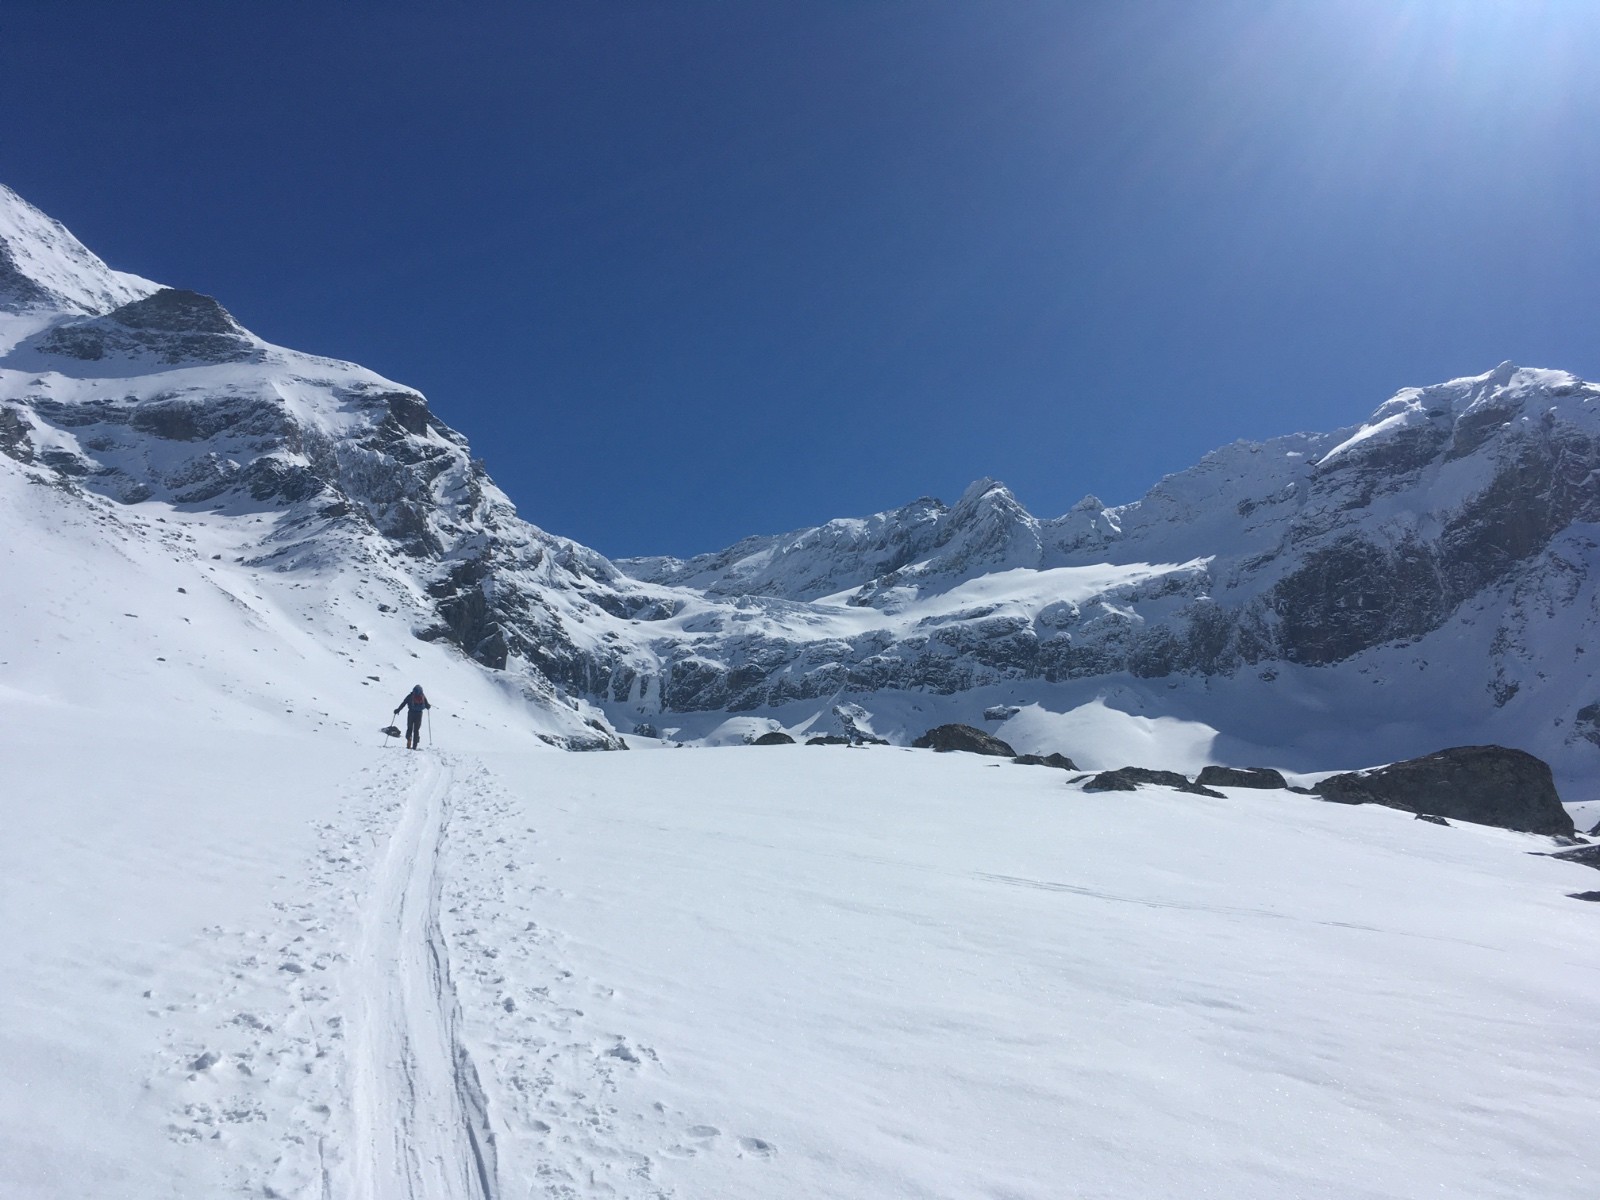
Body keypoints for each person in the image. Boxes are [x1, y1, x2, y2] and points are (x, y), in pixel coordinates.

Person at [394, 685, 430, 749]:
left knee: (409, 728)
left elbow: (404, 703)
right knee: (416, 730)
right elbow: (427, 705)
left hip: (411, 713)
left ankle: (409, 740)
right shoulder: (422, 696)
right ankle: (414, 746)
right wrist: (428, 706)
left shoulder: (410, 696)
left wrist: (398, 710)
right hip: (419, 714)